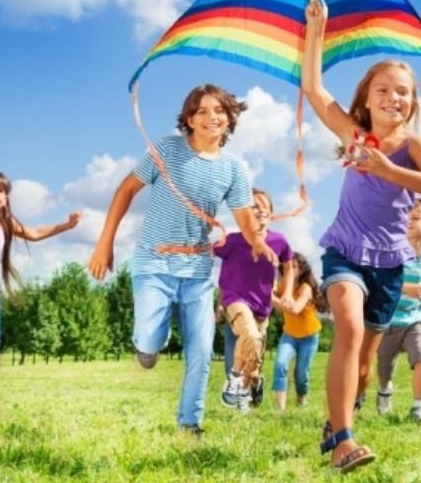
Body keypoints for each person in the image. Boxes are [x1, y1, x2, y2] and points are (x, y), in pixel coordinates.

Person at [302, 0, 421, 473]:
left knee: (365, 365)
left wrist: (391, 171)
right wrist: (317, 30)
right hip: (345, 252)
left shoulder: (412, 147)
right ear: (366, 99)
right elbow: (312, 88)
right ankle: (344, 441)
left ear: (413, 103)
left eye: (404, 92)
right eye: (384, 90)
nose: (394, 98)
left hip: (390, 264)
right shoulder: (353, 136)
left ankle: (339, 418)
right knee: (346, 327)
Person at [88, 84, 277, 435]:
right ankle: (147, 346)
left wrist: (256, 242)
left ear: (230, 117)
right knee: (149, 337)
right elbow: (125, 190)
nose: (211, 117)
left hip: (198, 269)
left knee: (202, 351)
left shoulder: (234, 168)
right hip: (154, 263)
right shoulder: (167, 149)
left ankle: (190, 423)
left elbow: (244, 215)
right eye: (202, 111)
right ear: (189, 118)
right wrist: (104, 243)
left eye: (219, 110)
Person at [0, 169, 81, 419]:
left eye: (0, 191)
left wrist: (66, 226)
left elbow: (35, 234)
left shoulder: (6, 223)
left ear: (6, 198)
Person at [215, 188, 293, 413]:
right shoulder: (232, 241)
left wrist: (286, 293)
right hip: (235, 300)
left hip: (262, 308)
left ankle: (255, 382)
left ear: (271, 214)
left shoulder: (279, 241)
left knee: (254, 358)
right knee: (248, 335)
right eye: (253, 206)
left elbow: (289, 266)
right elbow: (205, 252)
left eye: (264, 207)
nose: (260, 210)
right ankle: (235, 380)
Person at [376, 198, 421, 422]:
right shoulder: (393, 251)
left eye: (415, 218)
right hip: (389, 320)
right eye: (405, 217)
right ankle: (385, 389)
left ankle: (419, 407)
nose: (408, 221)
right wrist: (409, 289)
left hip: (416, 320)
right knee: (384, 368)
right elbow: (383, 282)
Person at [270, 252, 323, 411]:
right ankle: (280, 409)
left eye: (294, 267)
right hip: (290, 335)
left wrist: (271, 298)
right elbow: (278, 304)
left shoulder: (306, 288)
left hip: (309, 336)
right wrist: (270, 292)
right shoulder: (281, 285)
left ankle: (301, 399)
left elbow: (295, 309)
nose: (290, 270)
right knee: (280, 364)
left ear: (301, 270)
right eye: (287, 267)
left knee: (301, 375)